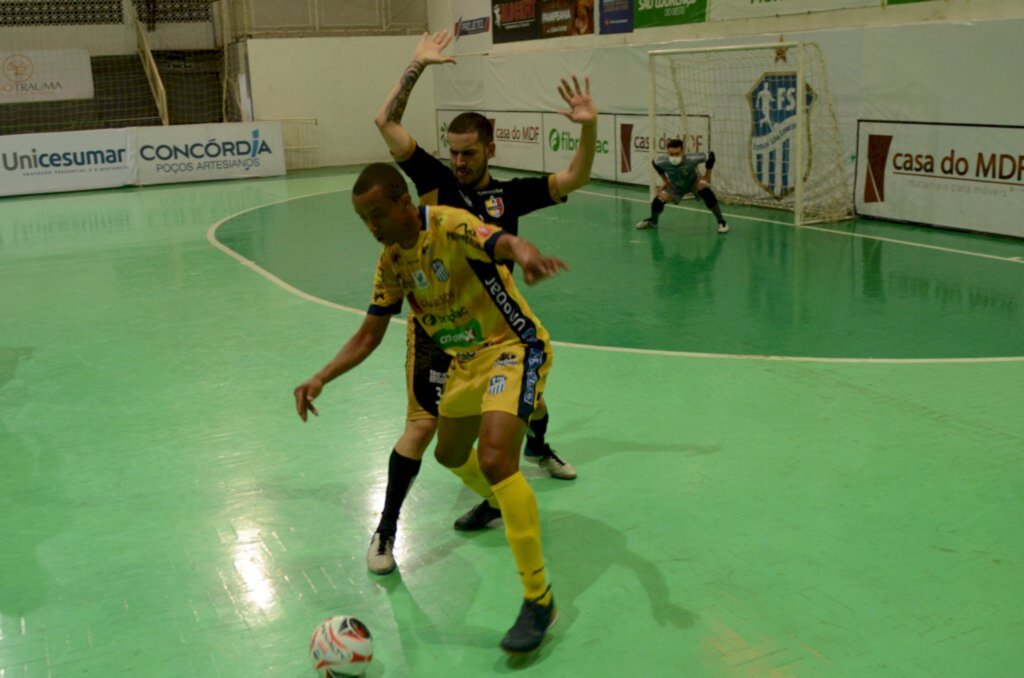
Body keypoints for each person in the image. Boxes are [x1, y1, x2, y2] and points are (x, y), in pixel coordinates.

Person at [293, 163, 566, 653]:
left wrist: (528, 254)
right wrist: (320, 376)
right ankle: (502, 500)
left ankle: (538, 597)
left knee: (496, 457)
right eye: (363, 220)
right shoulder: (391, 262)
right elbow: (369, 334)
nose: (372, 228)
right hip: (465, 361)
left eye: (377, 215)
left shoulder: (447, 223)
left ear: (403, 203)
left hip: (512, 346)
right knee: (447, 455)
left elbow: (502, 241)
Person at [361, 30, 598, 574]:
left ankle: (539, 446)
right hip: (438, 329)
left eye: (469, 153)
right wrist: (417, 65)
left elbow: (576, 176)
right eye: (455, 152)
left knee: (529, 403)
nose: (460, 162)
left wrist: (589, 131)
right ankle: (393, 529)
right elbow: (385, 122)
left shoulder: (509, 196)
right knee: (427, 433)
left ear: (490, 149)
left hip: (496, 327)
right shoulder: (435, 181)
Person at [635, 138, 729, 233]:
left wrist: (706, 177)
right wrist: (666, 181)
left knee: (707, 193)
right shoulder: (662, 161)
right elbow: (654, 163)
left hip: (694, 183)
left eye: (677, 154)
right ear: (668, 153)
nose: (674, 157)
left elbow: (710, 155)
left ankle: (721, 221)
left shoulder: (691, 159)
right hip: (676, 187)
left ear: (683, 151)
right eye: (671, 154)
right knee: (657, 201)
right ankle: (653, 222)